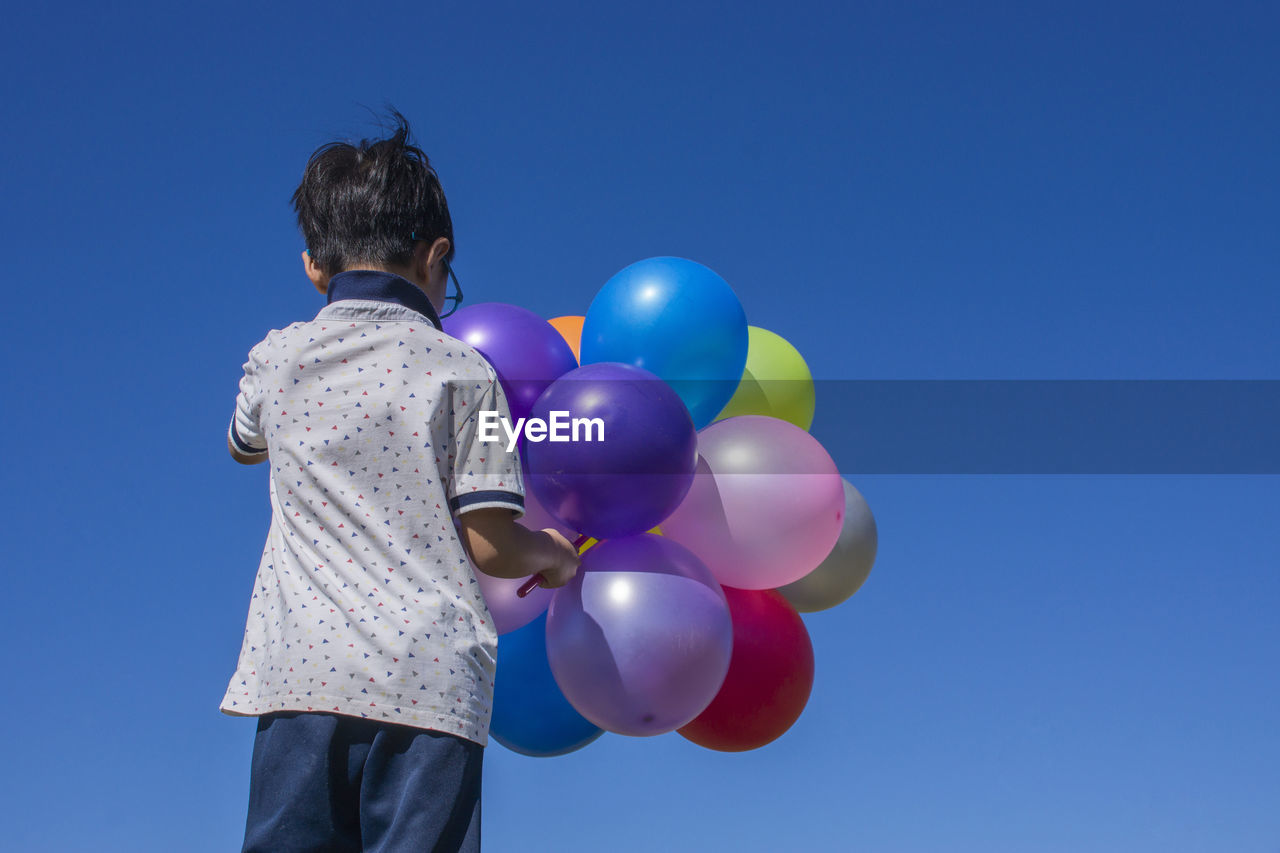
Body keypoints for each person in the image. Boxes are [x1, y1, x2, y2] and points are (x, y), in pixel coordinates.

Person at [221, 111, 581, 853]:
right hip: (429, 683)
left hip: (300, 678)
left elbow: (244, 446)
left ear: (314, 268)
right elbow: (490, 545)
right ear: (436, 256)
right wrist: (551, 550)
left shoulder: (277, 357)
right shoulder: (470, 373)